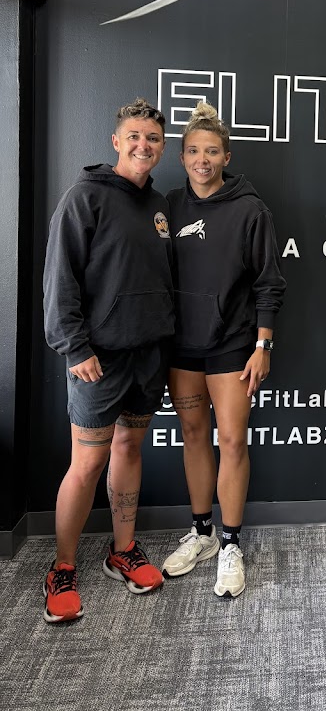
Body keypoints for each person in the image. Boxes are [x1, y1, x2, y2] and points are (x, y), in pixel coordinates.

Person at [42, 98, 173, 623]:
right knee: (88, 463)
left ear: (162, 147)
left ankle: (122, 551)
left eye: (153, 138)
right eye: (134, 136)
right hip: (97, 359)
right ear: (117, 141)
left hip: (148, 356)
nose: (144, 145)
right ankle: (62, 568)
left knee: (128, 449)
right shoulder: (86, 196)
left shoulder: (159, 205)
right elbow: (60, 277)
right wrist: (74, 347)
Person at [162, 102, 285, 598]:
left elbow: (268, 283)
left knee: (232, 441)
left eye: (212, 151)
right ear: (182, 156)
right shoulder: (168, 207)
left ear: (226, 157)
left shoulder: (251, 210)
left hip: (233, 344)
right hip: (181, 347)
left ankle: (231, 543)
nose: (202, 160)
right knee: (194, 436)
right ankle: (203, 534)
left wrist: (263, 344)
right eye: (193, 151)